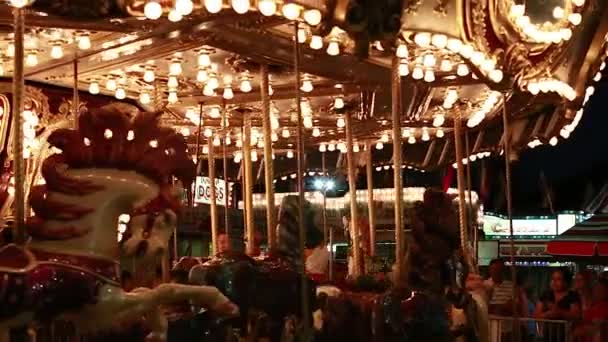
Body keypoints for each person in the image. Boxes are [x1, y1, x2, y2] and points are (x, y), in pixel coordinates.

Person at [534, 268, 581, 342]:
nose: (554, 282)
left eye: (558, 279)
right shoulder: (545, 295)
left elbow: (576, 315)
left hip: (566, 336)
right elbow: (536, 315)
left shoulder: (572, 296)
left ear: (566, 281)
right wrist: (548, 314)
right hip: (546, 336)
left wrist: (560, 312)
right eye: (552, 279)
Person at [574, 277, 608, 342]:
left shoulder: (604, 306)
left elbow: (598, 327)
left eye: (600, 289)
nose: (596, 291)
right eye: (596, 288)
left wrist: (582, 330)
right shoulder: (593, 304)